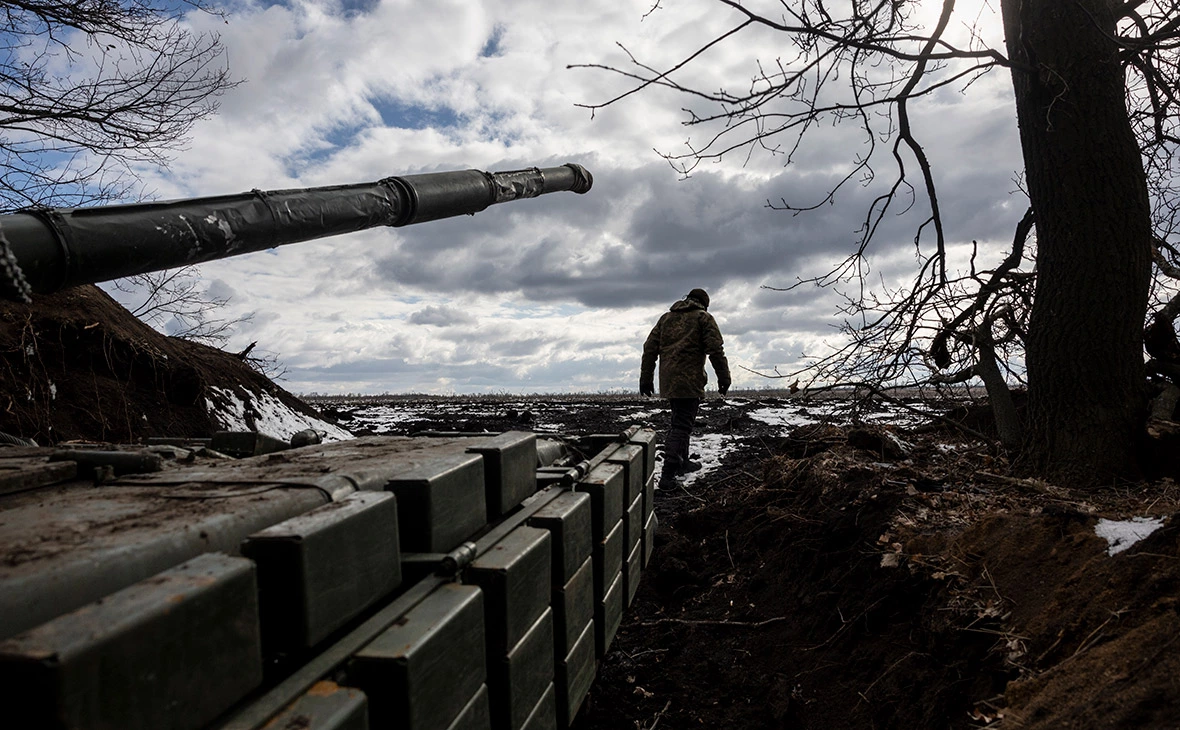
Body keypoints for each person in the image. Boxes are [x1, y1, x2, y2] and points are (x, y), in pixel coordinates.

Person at [639, 288, 730, 480]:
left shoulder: (666, 319)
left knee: (679, 421)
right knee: (682, 426)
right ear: (704, 303)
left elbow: (649, 349)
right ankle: (668, 473)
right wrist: (724, 378)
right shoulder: (703, 318)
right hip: (690, 381)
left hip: (669, 381)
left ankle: (683, 462)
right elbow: (716, 350)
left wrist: (645, 378)